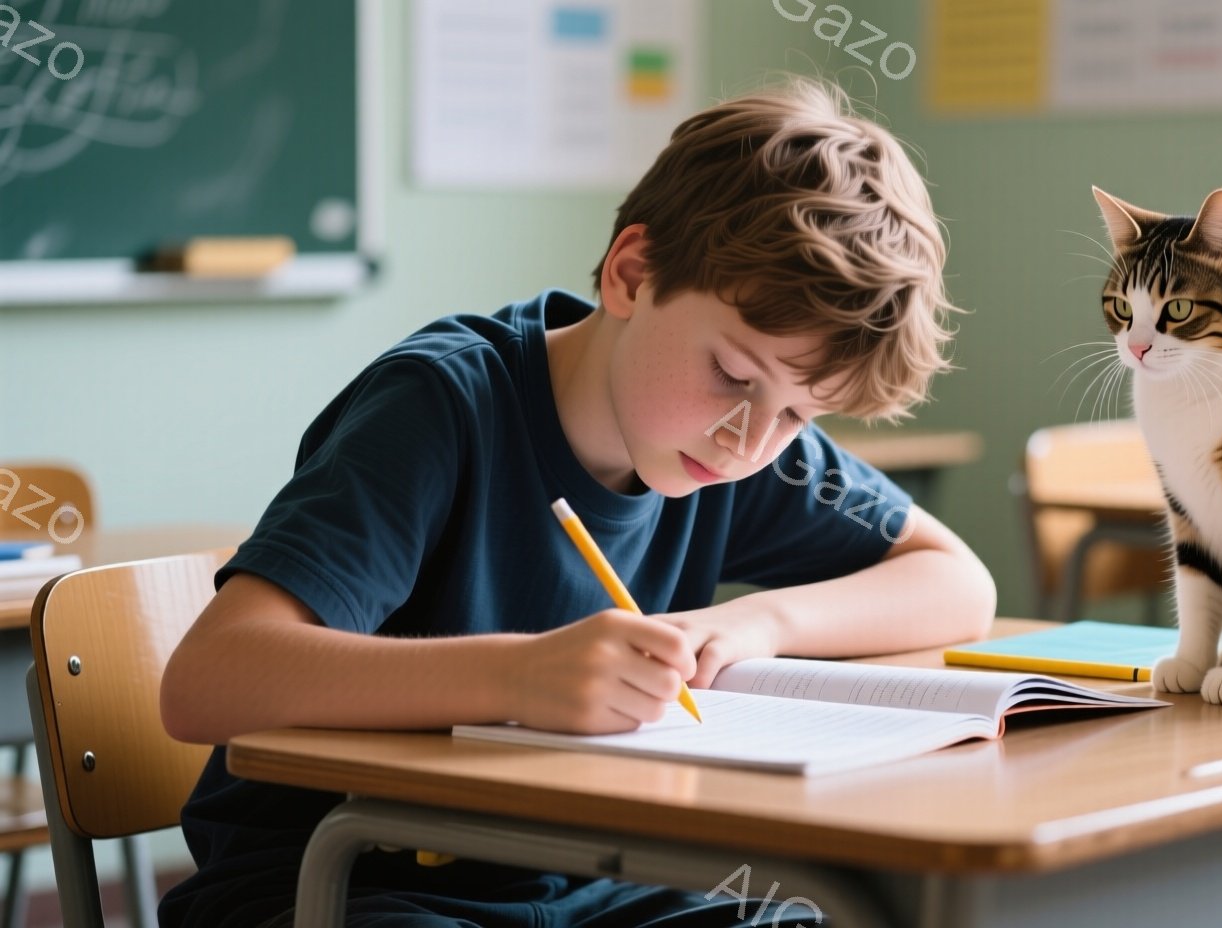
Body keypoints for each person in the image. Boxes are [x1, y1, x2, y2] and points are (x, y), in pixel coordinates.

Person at [158, 77, 996, 927]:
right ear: (633, 274)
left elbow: (956, 581)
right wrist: (520, 675)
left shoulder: (733, 447)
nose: (752, 440)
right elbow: (207, 682)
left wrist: (753, 627)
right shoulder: (441, 406)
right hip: (346, 881)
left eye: (799, 414)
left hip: (588, 876)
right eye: (733, 376)